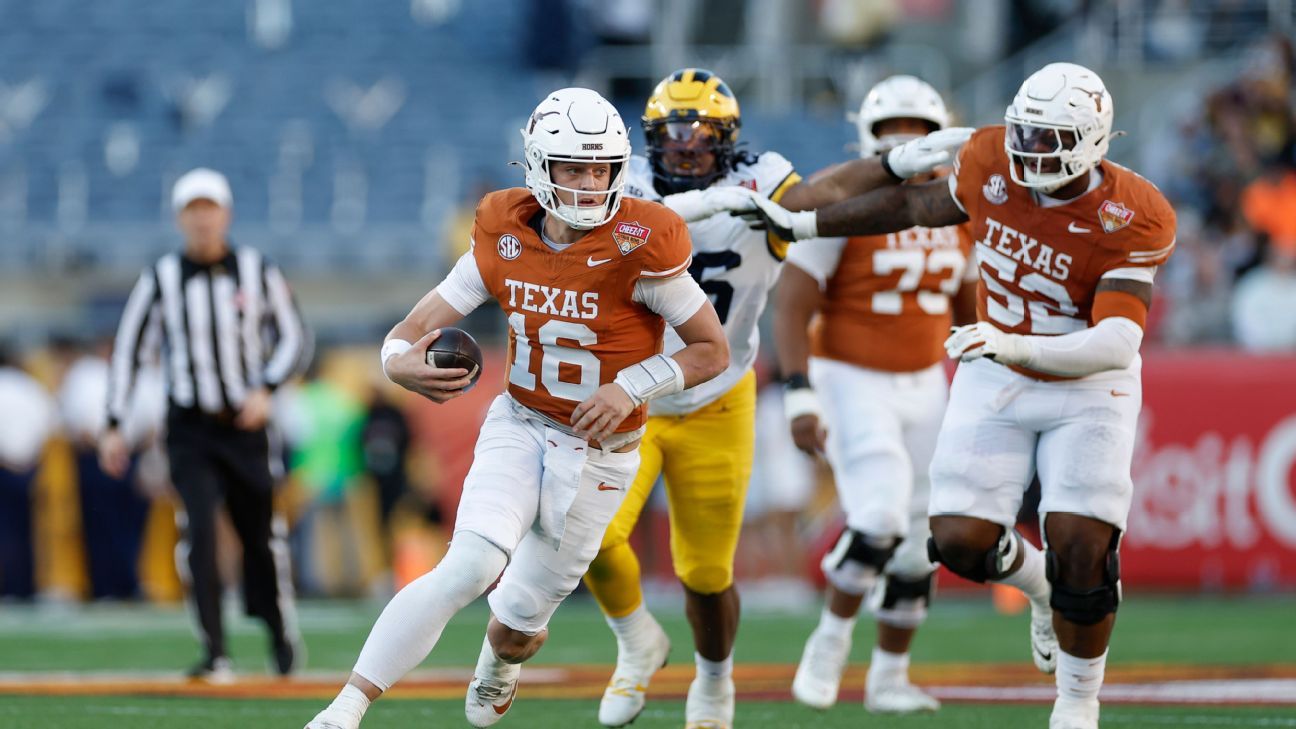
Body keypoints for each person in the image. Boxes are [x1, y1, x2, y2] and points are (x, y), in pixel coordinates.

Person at [714, 62, 1176, 729]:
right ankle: (1036, 588)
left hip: (1086, 380)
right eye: (1024, 132)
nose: (1028, 150)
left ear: (1090, 141)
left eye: (1049, 139)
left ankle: (1077, 703)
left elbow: (1114, 343)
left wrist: (1016, 344)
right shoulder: (988, 158)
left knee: (1082, 545)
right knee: (957, 540)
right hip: (987, 368)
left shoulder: (1133, 213)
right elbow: (913, 205)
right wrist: (808, 226)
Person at [304, 87, 729, 729]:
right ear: (537, 165)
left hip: (600, 454)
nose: (589, 183)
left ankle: (505, 662)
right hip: (522, 423)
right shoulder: (503, 227)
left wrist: (631, 386)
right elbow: (417, 323)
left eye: (601, 167)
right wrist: (398, 362)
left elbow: (710, 350)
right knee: (468, 565)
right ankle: (345, 708)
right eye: (573, 167)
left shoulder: (643, 240)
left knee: (514, 630)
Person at [579, 68, 963, 729]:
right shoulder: (621, 183)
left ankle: (715, 683)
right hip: (629, 395)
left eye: (701, 135)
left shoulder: (763, 177)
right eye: (670, 135)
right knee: (586, 537)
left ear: (729, 140)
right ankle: (634, 641)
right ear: (648, 139)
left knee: (705, 571)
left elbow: (816, 199)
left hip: (716, 396)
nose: (685, 148)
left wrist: (893, 164)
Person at [772, 75, 977, 714]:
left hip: (925, 381)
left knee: (919, 538)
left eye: (919, 129)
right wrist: (799, 392)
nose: (909, 143)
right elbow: (792, 301)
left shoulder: (958, 206)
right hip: (851, 377)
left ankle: (890, 676)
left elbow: (968, 311)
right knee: (881, 516)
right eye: (895, 132)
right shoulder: (846, 204)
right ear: (871, 139)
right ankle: (829, 641)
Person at [99, 167, 308, 681]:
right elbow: (129, 350)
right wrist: (113, 422)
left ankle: (279, 633)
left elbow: (295, 338)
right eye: (193, 210)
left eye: (210, 208)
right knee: (199, 534)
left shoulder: (257, 270)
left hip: (245, 425)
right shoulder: (161, 278)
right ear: (180, 218)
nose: (203, 219)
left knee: (260, 536)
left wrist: (267, 388)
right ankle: (215, 649)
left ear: (226, 214)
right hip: (189, 428)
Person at [0, 343, 57, 600]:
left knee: (7, 531)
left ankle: (8, 588)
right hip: (30, 466)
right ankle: (25, 586)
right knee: (27, 531)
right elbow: (49, 425)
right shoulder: (30, 387)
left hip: (4, 466)